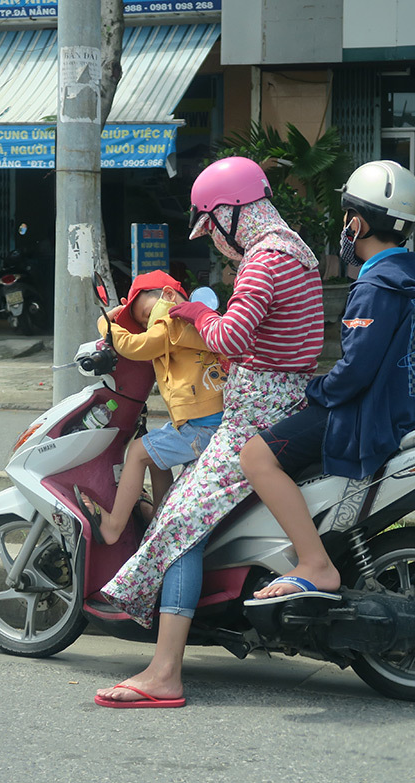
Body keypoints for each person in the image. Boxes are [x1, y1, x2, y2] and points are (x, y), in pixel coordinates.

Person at [93, 156, 324, 708]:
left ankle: (165, 672)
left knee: (175, 525)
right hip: (282, 402)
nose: (216, 243)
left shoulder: (264, 260)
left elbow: (230, 337)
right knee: (181, 516)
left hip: (252, 419)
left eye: (212, 229)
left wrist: (195, 314)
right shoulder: (300, 250)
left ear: (229, 214)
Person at [240, 160, 415, 602]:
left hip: (366, 418)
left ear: (359, 221)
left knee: (255, 457)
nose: (345, 227)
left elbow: (351, 375)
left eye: (348, 216)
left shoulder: (377, 286)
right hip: (407, 413)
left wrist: (310, 388)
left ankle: (313, 563)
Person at [80, 270, 227, 546]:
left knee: (137, 453)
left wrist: (106, 321)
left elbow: (134, 346)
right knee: (154, 451)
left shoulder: (175, 322)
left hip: (204, 426)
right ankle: (160, 518)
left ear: (168, 296)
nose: (148, 324)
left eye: (147, 315)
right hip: (204, 420)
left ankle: (112, 527)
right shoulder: (189, 322)